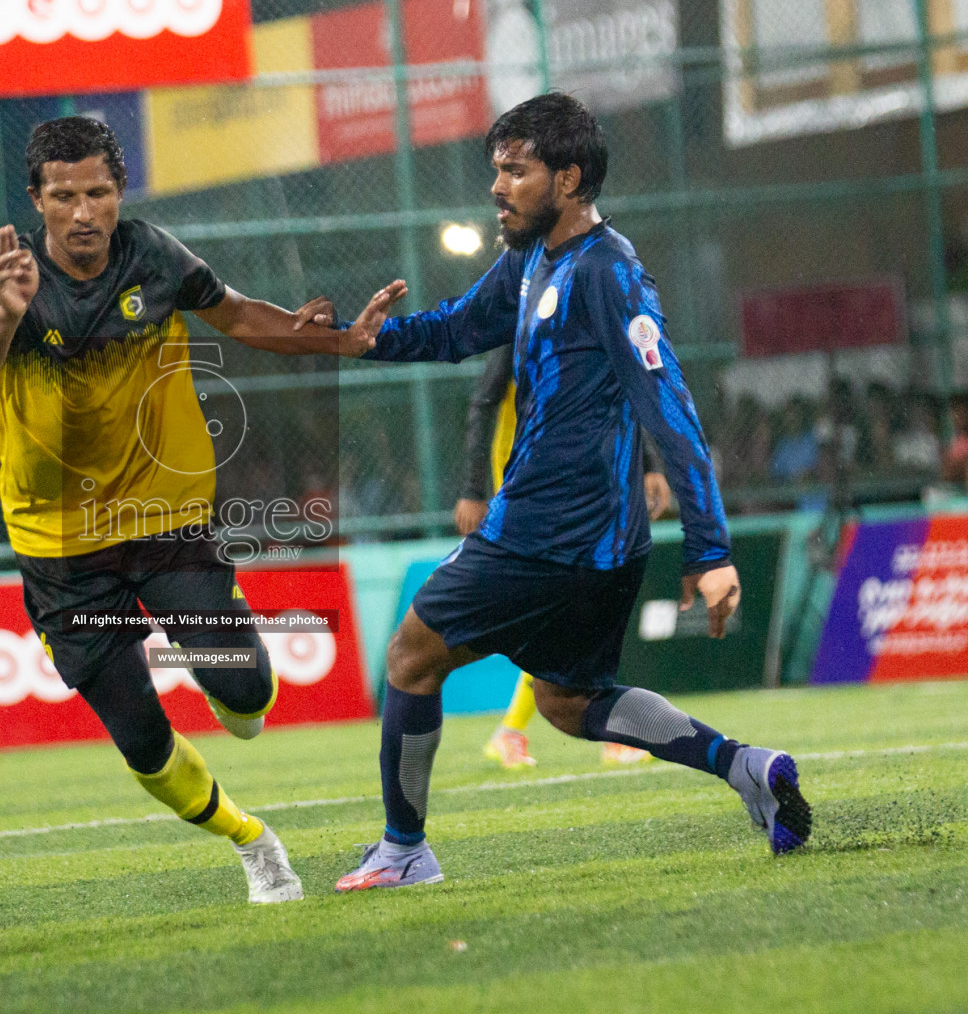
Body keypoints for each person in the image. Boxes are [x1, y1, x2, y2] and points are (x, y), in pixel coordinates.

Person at [330, 93, 811, 892]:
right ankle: (746, 769)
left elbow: (671, 405)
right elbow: (455, 328)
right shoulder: (531, 260)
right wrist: (371, 338)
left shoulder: (610, 272)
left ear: (570, 177)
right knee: (567, 702)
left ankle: (405, 850)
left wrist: (712, 548)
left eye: (516, 170)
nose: (498, 186)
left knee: (411, 656)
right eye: (497, 169)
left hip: (546, 534)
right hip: (597, 546)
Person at [0, 116, 385, 904]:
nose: (84, 213)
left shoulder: (154, 254)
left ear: (120, 195)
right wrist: (8, 316)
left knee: (247, 694)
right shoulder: (1, 282)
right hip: (59, 547)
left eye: (100, 194)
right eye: (65, 196)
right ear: (37, 200)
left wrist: (335, 341)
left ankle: (229, 685)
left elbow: (241, 314)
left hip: (165, 523)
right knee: (144, 741)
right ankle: (252, 843)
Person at [457, 343, 668, 769]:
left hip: (578, 479)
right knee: (574, 601)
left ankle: (514, 731)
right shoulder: (519, 317)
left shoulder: (591, 310)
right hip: (524, 488)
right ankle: (606, 731)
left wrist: (649, 464)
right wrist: (472, 489)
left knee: (574, 604)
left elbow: (623, 386)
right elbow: (484, 402)